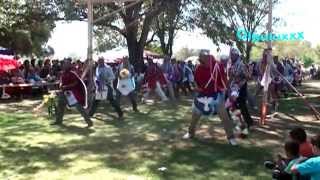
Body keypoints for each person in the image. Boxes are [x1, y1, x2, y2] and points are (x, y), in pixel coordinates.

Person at [183, 50, 237, 146]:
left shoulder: (218, 66)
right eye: (200, 59)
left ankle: (231, 137)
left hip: (216, 95)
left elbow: (224, 81)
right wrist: (196, 87)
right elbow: (196, 81)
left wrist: (230, 92)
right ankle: (190, 133)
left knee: (224, 116)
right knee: (195, 116)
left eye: (202, 58)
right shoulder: (199, 68)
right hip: (203, 95)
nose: (201, 60)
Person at [52, 58, 93, 128]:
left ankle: (89, 121)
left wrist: (66, 86)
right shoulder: (63, 73)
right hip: (63, 92)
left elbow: (75, 83)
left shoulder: (72, 74)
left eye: (66, 64)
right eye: (64, 64)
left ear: (69, 66)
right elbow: (61, 81)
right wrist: (61, 85)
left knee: (79, 107)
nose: (64, 65)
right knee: (60, 106)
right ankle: (58, 120)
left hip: (72, 93)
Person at [228, 48, 253, 130]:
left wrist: (240, 77)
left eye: (233, 55)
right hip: (234, 87)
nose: (231, 57)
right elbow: (231, 77)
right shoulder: (232, 64)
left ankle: (249, 123)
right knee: (233, 105)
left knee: (242, 105)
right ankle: (240, 122)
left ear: (237, 55)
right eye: (231, 55)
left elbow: (248, 77)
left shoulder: (241, 65)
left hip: (241, 87)